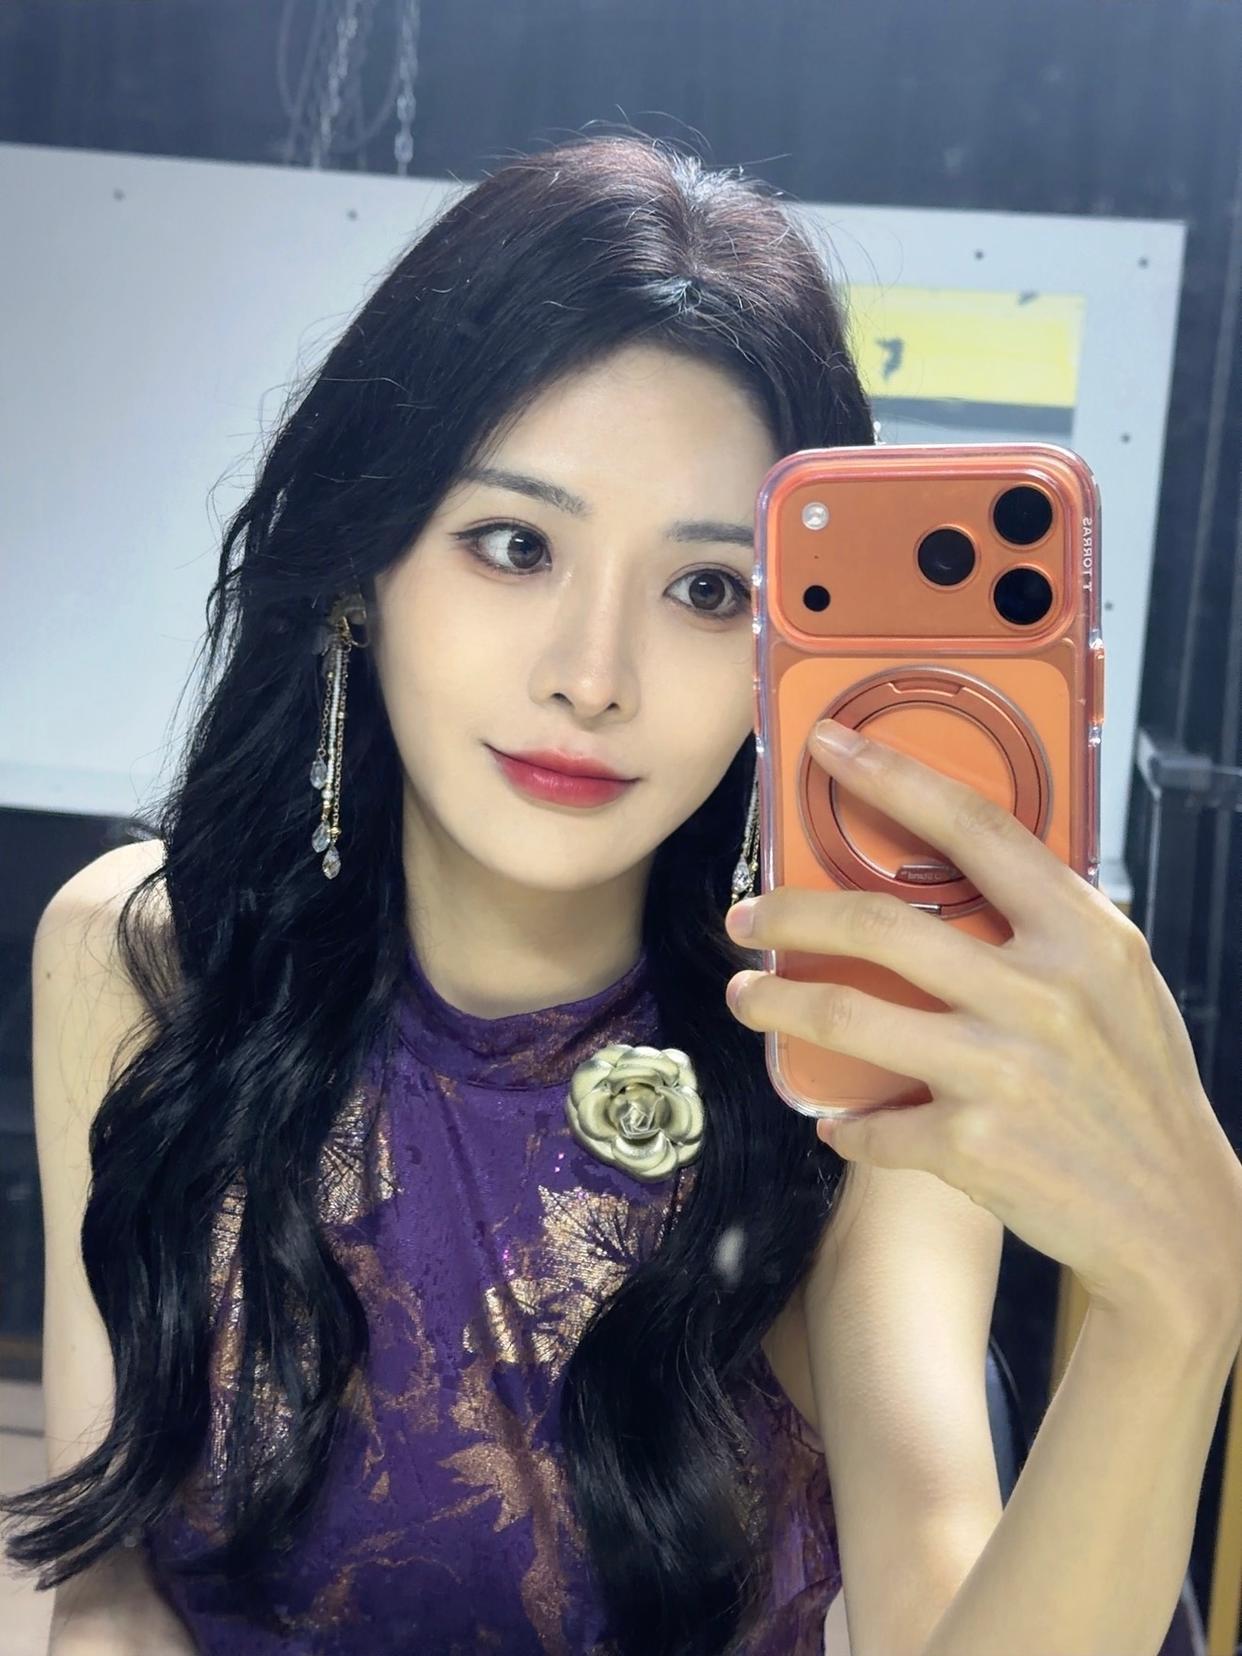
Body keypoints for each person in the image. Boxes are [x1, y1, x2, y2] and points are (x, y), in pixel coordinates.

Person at [5, 131, 1241, 1656]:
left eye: (706, 589)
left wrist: (1179, 1311)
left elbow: (940, 1604)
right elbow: (111, 1590)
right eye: (512, 545)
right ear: (360, 571)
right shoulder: (137, 960)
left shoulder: (850, 1063)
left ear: (782, 654)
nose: (591, 677)